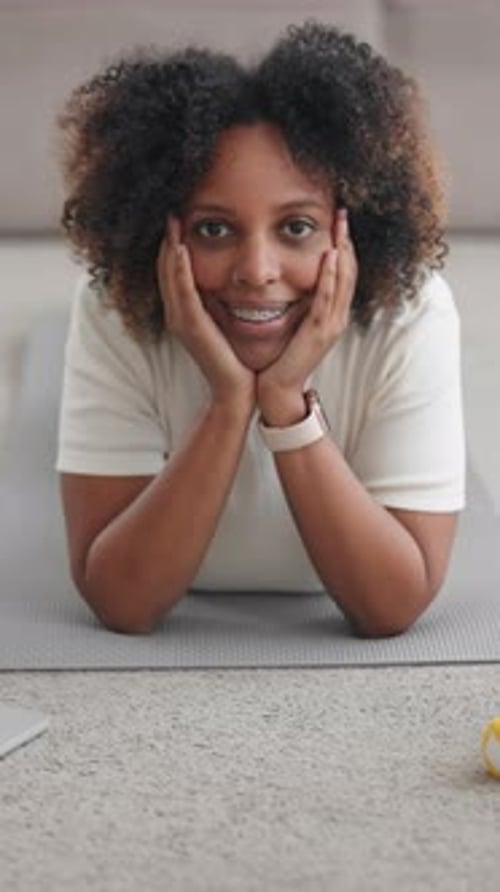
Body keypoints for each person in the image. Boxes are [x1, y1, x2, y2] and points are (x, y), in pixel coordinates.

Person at [55, 20, 465, 638]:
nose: (256, 272)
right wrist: (227, 403)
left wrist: (285, 402)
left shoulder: (411, 313)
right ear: (162, 233)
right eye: (213, 229)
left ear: (348, 231)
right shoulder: (114, 308)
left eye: (296, 227)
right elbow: (122, 601)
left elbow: (391, 605)